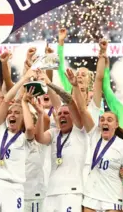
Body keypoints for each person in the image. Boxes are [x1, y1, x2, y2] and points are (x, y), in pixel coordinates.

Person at [0, 70, 35, 212]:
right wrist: (24, 78)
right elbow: (5, 101)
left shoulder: (25, 138)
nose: (12, 115)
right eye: (10, 113)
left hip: (15, 188)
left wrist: (24, 103)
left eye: (17, 113)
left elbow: (29, 127)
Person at [34, 80, 86, 212]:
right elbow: (39, 138)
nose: (62, 115)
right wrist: (40, 114)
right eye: (59, 114)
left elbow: (72, 104)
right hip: (51, 191)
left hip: (71, 193)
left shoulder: (80, 131)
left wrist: (50, 84)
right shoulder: (54, 133)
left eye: (66, 113)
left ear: (73, 117)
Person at [22, 92, 47, 212]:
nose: (29, 122)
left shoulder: (40, 141)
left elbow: (30, 129)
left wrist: (40, 113)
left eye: (32, 120)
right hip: (16, 192)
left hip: (35, 195)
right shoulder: (13, 139)